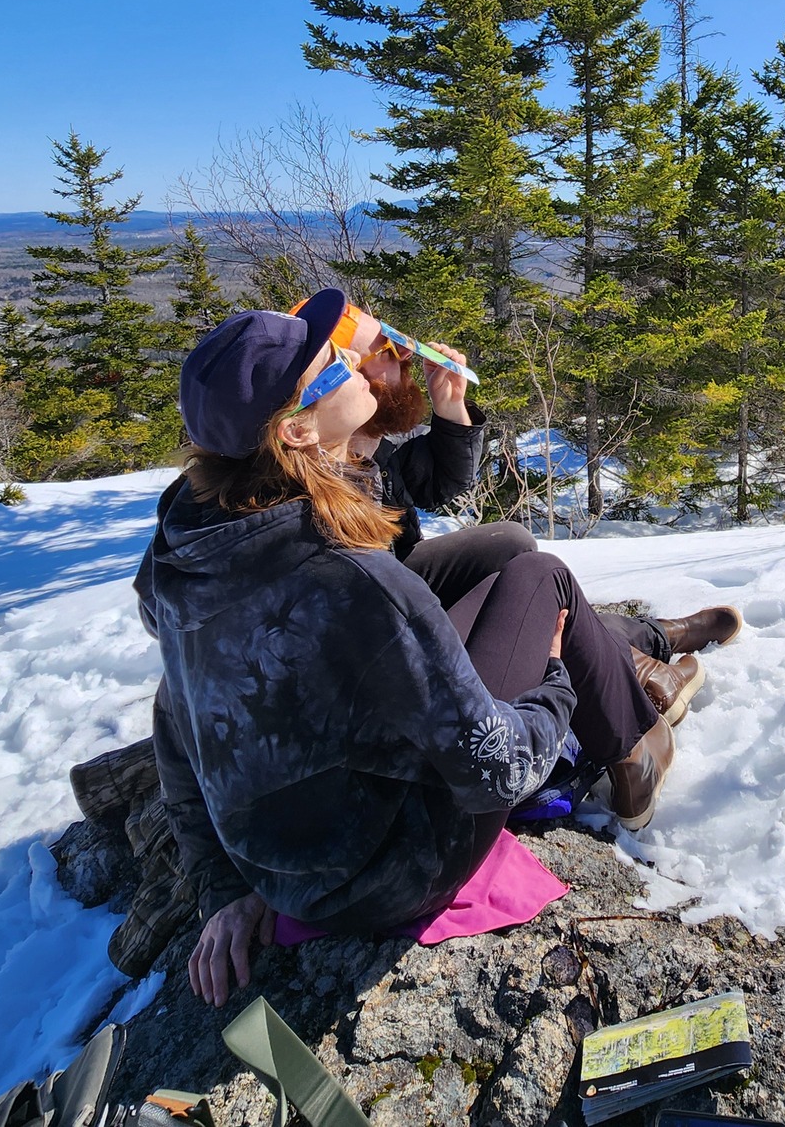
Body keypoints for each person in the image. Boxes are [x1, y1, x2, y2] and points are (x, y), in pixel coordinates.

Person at [135, 293, 683, 1005]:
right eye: (329, 361)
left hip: (293, 874)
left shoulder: (188, 557)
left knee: (515, 562)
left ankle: (634, 652)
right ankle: (634, 746)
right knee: (541, 575)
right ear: (297, 430)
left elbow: (178, 732)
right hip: (398, 865)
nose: (351, 357)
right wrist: (552, 684)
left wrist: (224, 883)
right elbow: (496, 772)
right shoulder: (348, 577)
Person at [305, 297, 744, 724]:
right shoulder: (313, 472)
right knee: (527, 585)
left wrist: (450, 408)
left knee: (510, 544)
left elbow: (436, 485)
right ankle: (647, 651)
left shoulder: (357, 444)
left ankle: (646, 639)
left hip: (400, 585)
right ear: (345, 376)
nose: (405, 356)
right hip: (388, 637)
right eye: (387, 349)